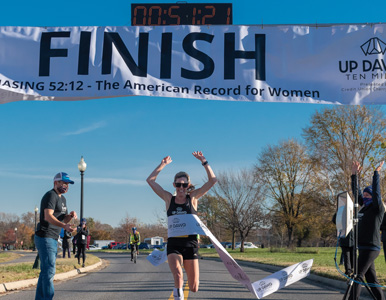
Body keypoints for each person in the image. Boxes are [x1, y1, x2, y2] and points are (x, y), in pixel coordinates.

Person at [146, 151, 217, 300]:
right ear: (174, 185)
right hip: (174, 244)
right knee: (178, 275)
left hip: (190, 243)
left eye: (184, 184)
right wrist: (162, 165)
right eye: (178, 184)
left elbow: (212, 180)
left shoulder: (193, 198)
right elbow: (150, 180)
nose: (181, 187)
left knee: (194, 287)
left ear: (188, 185)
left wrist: (204, 161)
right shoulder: (168, 198)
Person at [34, 172, 77, 300]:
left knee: (45, 272)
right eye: (63, 183)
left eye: (67, 184)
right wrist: (64, 227)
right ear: (55, 183)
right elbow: (48, 216)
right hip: (45, 236)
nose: (66, 186)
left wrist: (70, 216)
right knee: (49, 271)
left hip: (53, 238)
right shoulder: (50, 195)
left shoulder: (63, 199)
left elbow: (63, 219)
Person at [350, 161, 385, 300]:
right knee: (371, 280)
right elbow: (356, 192)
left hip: (372, 247)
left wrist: (376, 174)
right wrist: (354, 175)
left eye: (368, 195)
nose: (365, 197)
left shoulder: (377, 209)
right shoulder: (364, 207)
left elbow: (377, 194)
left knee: (357, 276)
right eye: (364, 195)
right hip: (363, 247)